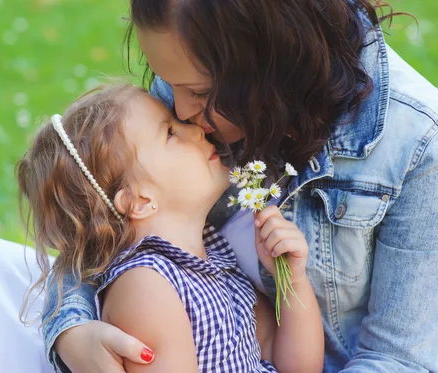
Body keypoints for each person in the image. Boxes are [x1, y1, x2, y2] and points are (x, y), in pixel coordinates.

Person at [44, 0, 438, 372]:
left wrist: (292, 282)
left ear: (272, 62)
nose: (180, 112)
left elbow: (399, 359)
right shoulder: (190, 77)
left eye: (199, 92)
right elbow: (94, 219)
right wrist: (70, 330)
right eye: (166, 83)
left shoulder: (415, 143)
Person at [15, 83, 324, 372]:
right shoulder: (145, 287)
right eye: (171, 133)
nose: (195, 131)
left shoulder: (215, 253)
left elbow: (293, 365)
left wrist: (293, 280)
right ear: (139, 200)